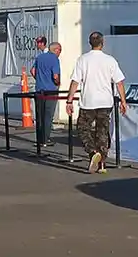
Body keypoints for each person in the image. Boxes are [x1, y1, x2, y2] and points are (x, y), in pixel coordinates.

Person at [66, 31, 128, 175]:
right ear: (102, 43)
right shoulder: (110, 60)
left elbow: (75, 81)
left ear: (90, 43)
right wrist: (123, 101)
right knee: (102, 132)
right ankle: (102, 163)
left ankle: (92, 151)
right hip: (105, 101)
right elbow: (119, 82)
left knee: (83, 128)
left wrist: (69, 100)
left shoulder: (83, 59)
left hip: (88, 101)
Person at [31, 37, 61, 151]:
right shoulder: (54, 59)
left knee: (40, 115)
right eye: (60, 50)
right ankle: (45, 139)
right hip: (50, 91)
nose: (60, 53)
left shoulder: (39, 57)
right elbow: (55, 76)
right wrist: (57, 83)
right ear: (56, 50)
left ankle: (39, 139)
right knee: (48, 116)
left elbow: (32, 71)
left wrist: (39, 79)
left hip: (39, 89)